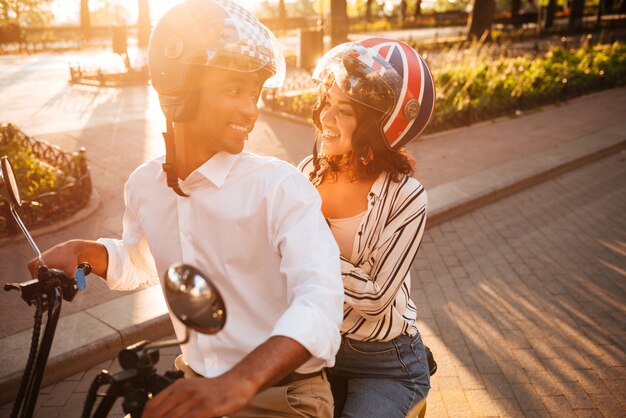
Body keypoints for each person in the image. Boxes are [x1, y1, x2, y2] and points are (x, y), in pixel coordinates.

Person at [28, 1, 344, 417]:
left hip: (281, 398)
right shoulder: (145, 185)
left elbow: (320, 301)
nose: (251, 109)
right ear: (177, 83)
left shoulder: (279, 187)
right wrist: (87, 252)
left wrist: (240, 381)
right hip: (196, 385)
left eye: (255, 94)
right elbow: (145, 259)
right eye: (234, 90)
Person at [298, 37, 436, 417]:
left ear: (380, 126)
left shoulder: (407, 196)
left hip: (385, 362)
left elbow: (376, 299)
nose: (325, 118)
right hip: (315, 347)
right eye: (327, 101)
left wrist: (310, 246)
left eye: (344, 110)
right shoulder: (307, 174)